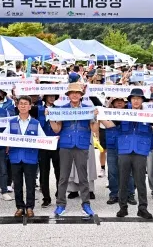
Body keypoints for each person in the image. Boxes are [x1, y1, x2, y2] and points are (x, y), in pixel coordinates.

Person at [98, 89, 153, 219]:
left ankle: (142, 208)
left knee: (140, 181)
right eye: (133, 98)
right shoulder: (123, 113)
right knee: (123, 180)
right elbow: (109, 125)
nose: (136, 101)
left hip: (141, 151)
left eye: (138, 98)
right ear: (130, 100)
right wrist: (99, 116)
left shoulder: (148, 115)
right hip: (124, 150)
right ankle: (122, 207)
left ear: (142, 100)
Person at [49, 82, 98, 217]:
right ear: (69, 95)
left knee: (83, 177)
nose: (75, 95)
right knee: (63, 177)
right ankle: (60, 204)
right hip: (66, 145)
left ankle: (86, 204)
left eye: (77, 93)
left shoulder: (89, 109)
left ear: (81, 95)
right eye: (72, 93)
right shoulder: (62, 109)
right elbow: (57, 129)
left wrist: (95, 117)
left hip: (82, 145)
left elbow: (94, 130)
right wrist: (51, 118)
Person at [3, 95, 46, 217]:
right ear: (17, 105)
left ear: (30, 106)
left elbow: (43, 139)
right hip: (15, 157)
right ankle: (20, 207)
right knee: (17, 184)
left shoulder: (35, 123)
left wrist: (52, 140)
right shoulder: (11, 122)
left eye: (25, 104)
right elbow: (3, 137)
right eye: (20, 103)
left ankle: (30, 207)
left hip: (31, 158)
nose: (22, 106)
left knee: (30, 184)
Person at [103, 96, 136, 206]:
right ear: (113, 102)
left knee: (129, 172)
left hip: (126, 145)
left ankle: (130, 194)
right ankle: (114, 194)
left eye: (121, 101)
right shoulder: (106, 112)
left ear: (125, 102)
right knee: (113, 171)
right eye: (116, 101)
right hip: (112, 145)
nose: (119, 103)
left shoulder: (132, 112)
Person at [37, 93, 61, 208]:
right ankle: (46, 197)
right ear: (45, 97)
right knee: (44, 172)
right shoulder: (38, 109)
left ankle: (59, 194)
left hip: (57, 144)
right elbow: (39, 126)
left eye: (53, 96)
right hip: (43, 145)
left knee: (59, 172)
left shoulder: (60, 109)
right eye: (49, 96)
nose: (52, 98)